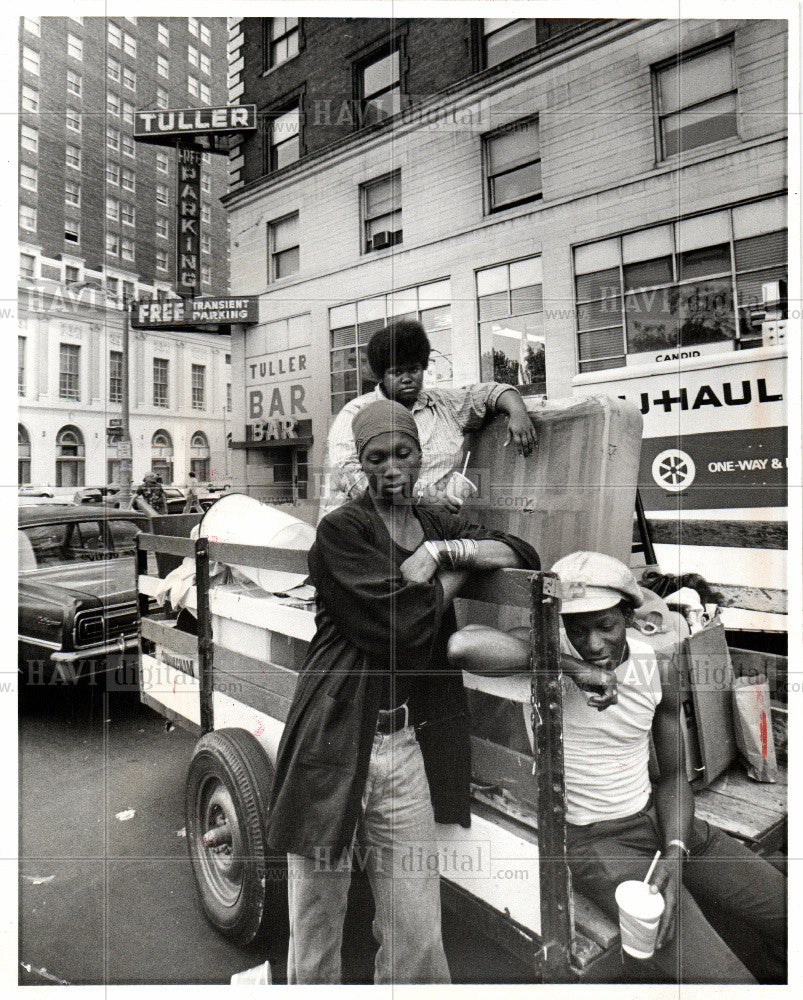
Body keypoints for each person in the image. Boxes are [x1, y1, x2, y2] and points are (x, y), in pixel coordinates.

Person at [266, 398, 539, 984]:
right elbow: (404, 629)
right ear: (361, 466)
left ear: (419, 454)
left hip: (401, 743)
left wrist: (443, 552)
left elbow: (520, 551)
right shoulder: (342, 531)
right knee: (317, 920)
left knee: (416, 925)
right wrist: (453, 568)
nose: (392, 467)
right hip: (333, 740)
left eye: (402, 453)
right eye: (376, 457)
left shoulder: (435, 522)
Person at [447, 551, 786, 984]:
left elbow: (673, 777)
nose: (592, 644)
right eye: (577, 628)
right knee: (728, 982)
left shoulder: (656, 668)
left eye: (605, 626)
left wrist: (677, 850)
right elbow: (462, 646)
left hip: (664, 821)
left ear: (627, 615)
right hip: (600, 844)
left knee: (785, 911)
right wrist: (574, 670)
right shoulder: (544, 659)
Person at [318, 319, 538, 521]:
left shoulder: (444, 404)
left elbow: (490, 393)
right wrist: (422, 496)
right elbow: (354, 479)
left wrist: (518, 413)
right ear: (381, 375)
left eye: (413, 369)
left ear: (423, 367)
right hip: (363, 528)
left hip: (427, 528)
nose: (407, 379)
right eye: (396, 372)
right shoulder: (355, 414)